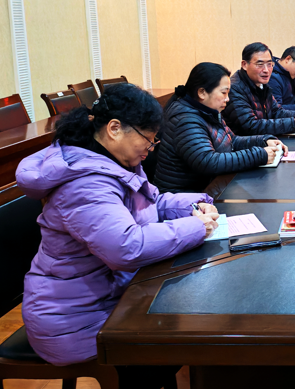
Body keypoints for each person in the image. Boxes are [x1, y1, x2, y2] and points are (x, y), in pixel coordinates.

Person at [16, 83, 219, 385]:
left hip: (108, 297)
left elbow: (150, 203)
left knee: (187, 323)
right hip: (74, 321)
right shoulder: (85, 184)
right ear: (114, 129)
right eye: (148, 140)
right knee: (184, 337)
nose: (150, 149)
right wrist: (196, 227)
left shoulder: (111, 160)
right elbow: (126, 247)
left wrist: (195, 205)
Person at [154, 62, 288, 193]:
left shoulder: (207, 110)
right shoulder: (185, 119)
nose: (227, 99)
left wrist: (264, 141)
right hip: (183, 197)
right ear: (202, 93)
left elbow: (231, 141)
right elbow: (208, 162)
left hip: (208, 188)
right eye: (224, 93)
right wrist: (259, 155)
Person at [224, 42, 295, 136]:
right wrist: (293, 124)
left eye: (269, 64)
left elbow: (277, 112)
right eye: (260, 64)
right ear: (244, 65)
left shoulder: (262, 84)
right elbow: (250, 126)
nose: (266, 70)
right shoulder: (235, 88)